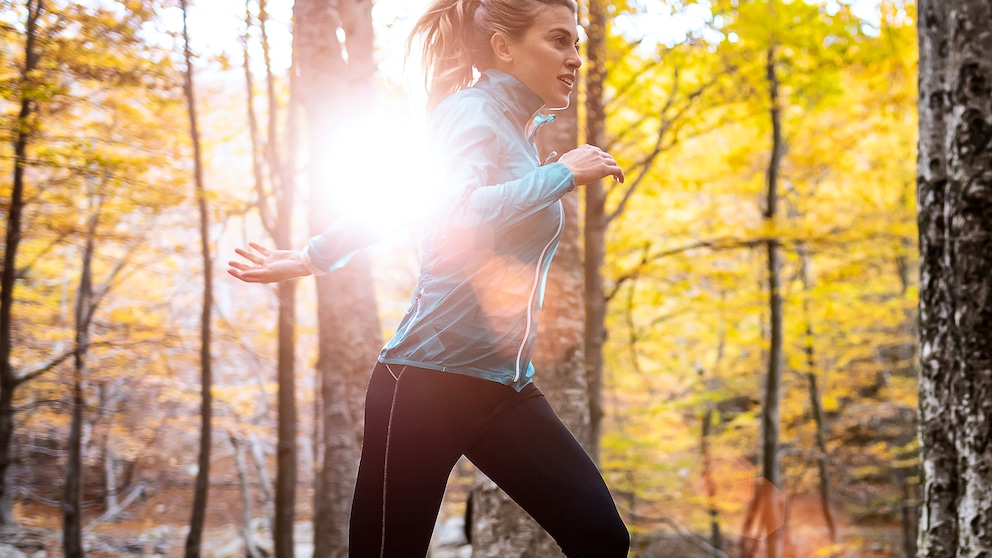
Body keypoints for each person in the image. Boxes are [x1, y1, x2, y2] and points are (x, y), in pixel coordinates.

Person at [228, 0, 629, 555]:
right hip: (422, 386)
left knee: (601, 536)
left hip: (502, 388)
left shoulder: (515, 130)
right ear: (504, 46)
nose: (575, 59)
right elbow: (455, 211)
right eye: (559, 41)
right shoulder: (470, 110)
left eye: (578, 45)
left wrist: (312, 255)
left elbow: (407, 200)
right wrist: (561, 175)